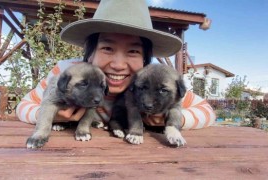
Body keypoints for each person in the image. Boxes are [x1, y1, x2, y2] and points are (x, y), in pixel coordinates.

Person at [16, 0, 216, 130]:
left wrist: (175, 119)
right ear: (89, 53)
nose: (119, 65)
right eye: (107, 49)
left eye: (133, 51)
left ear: (146, 60)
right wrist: (51, 115)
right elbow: (23, 106)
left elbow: (207, 112)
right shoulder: (67, 73)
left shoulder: (149, 82)